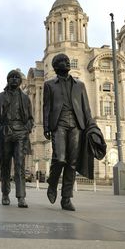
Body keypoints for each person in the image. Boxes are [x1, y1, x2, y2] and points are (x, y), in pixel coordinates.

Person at [43, 53, 93, 211]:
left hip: (76, 125)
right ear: (56, 66)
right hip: (59, 124)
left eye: (67, 61)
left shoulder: (80, 84)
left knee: (72, 162)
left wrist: (90, 125)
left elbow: (86, 107)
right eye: (63, 61)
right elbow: (46, 107)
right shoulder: (49, 84)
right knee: (60, 158)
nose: (67, 63)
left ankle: (66, 198)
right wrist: (46, 127)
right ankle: (52, 183)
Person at [0, 70, 33, 208]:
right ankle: (5, 193)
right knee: (5, 164)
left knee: (20, 165)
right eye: (12, 77)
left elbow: (31, 118)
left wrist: (27, 128)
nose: (15, 80)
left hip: (20, 132)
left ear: (20, 81)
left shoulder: (26, 98)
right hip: (5, 131)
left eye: (17, 77)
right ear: (7, 79)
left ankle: (21, 197)